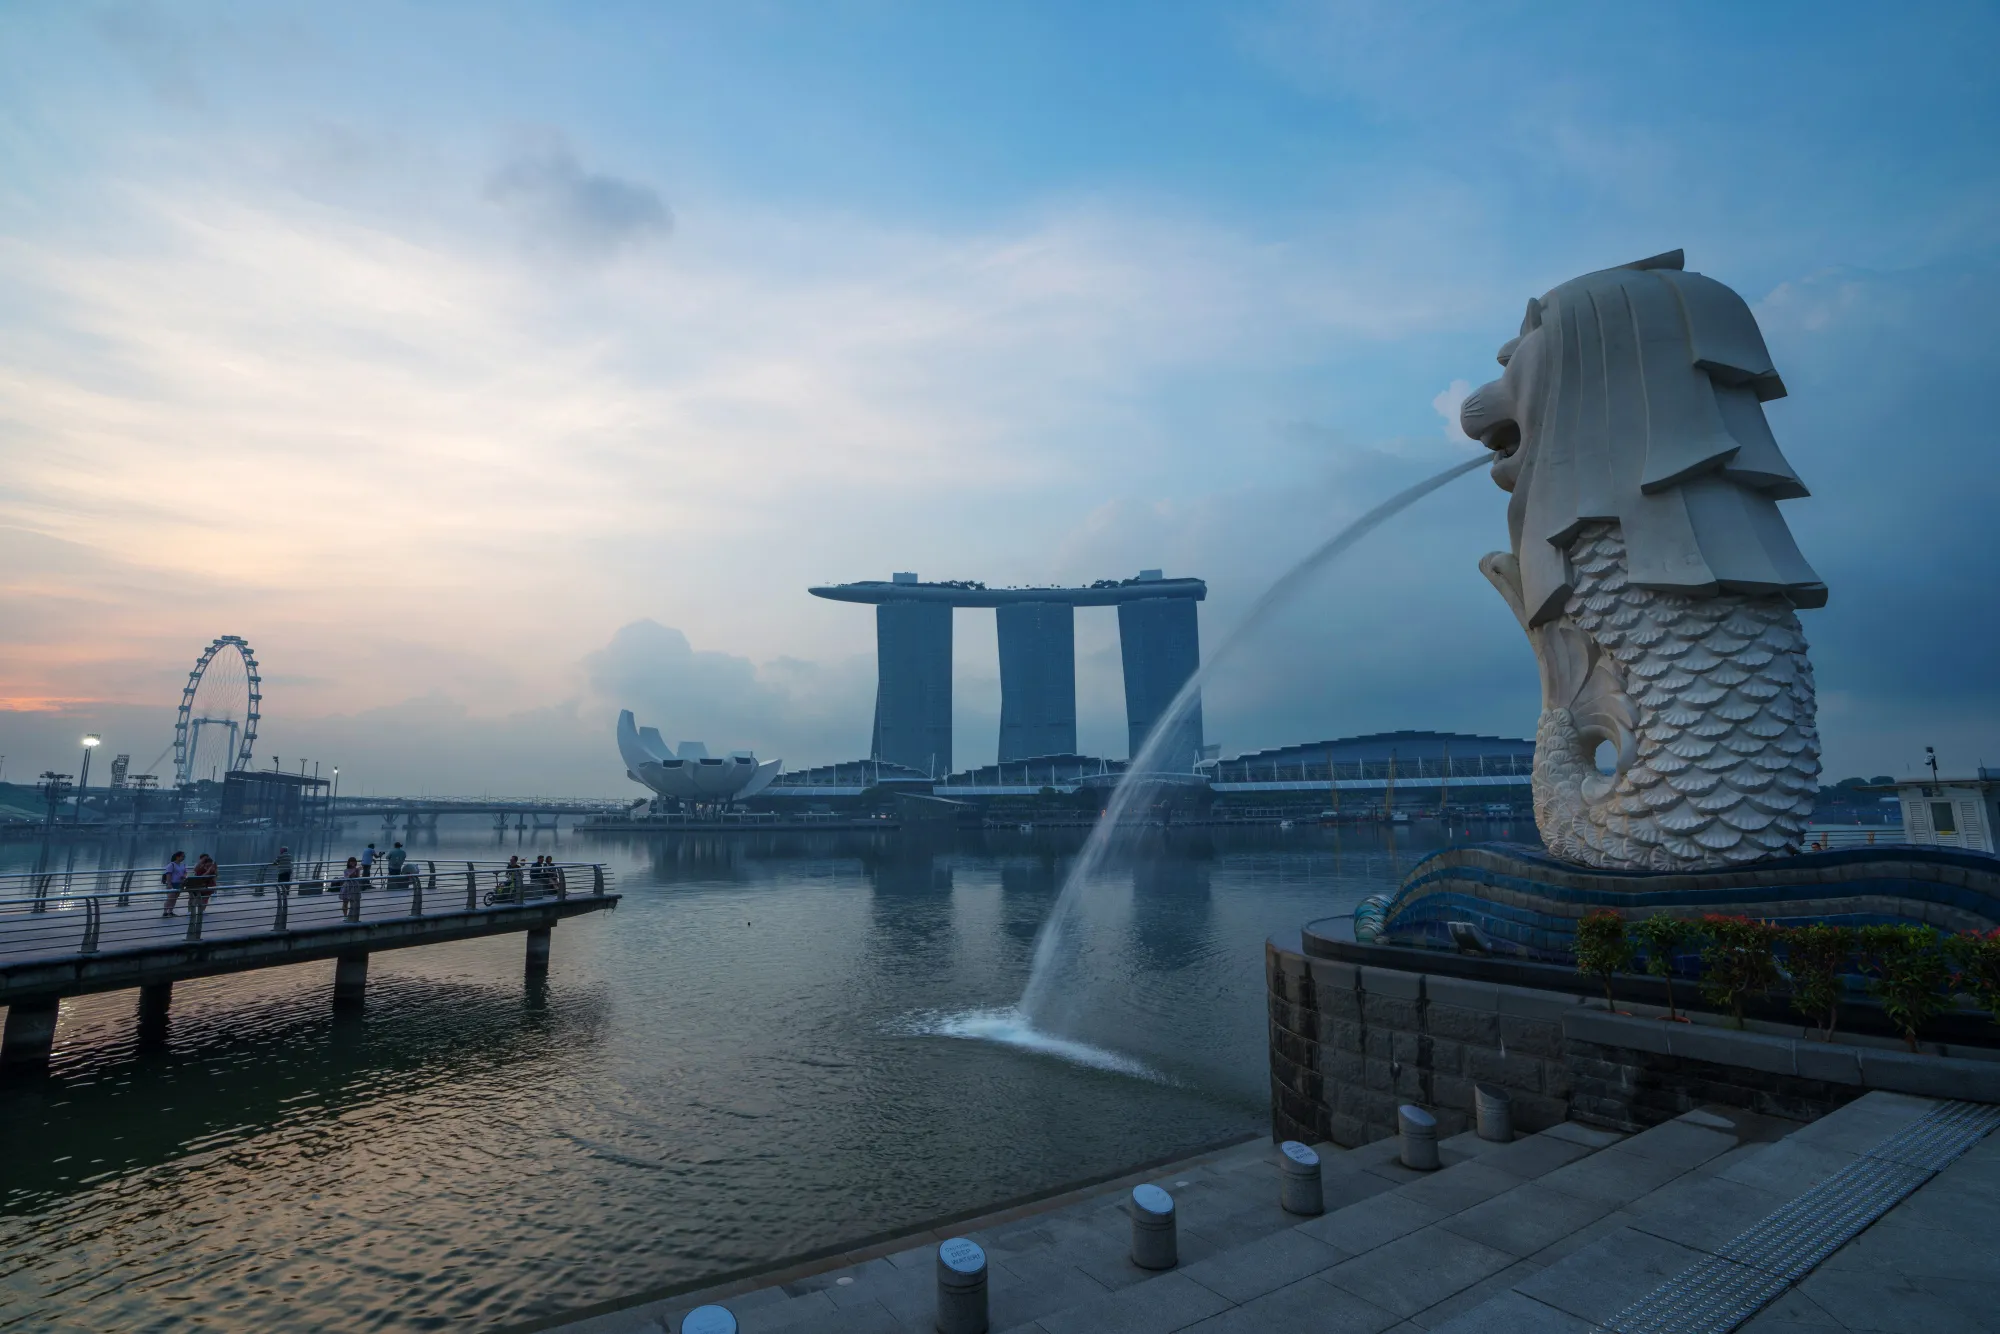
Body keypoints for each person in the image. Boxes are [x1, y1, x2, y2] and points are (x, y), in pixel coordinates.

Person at [161, 851, 189, 917]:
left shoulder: (183, 865)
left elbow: (185, 872)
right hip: (172, 883)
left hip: (179, 883)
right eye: (182, 856)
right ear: (177, 857)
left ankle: (170, 911)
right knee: (170, 898)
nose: (183, 858)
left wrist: (184, 876)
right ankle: (165, 912)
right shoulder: (171, 865)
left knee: (175, 898)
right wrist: (169, 884)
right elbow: (168, 874)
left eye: (184, 856)